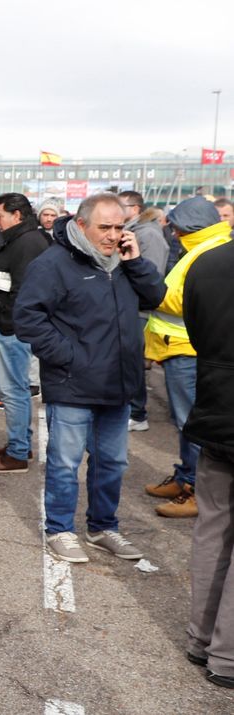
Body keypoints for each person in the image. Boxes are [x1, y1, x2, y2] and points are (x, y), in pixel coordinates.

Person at [13, 193, 165, 563]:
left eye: (119, 227)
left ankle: (102, 528)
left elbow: (156, 296)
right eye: (105, 227)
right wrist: (69, 357)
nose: (113, 235)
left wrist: (136, 262)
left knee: (112, 463)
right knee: (65, 463)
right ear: (81, 225)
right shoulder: (53, 263)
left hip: (117, 385)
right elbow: (28, 318)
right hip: (73, 384)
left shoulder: (125, 262)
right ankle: (60, 530)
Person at [142, 197, 231, 518]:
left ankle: (196, 489)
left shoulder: (204, 253)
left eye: (178, 227)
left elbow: (177, 300)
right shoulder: (206, 248)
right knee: (186, 424)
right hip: (182, 348)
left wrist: (148, 287)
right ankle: (186, 477)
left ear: (191, 226)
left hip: (187, 350)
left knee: (191, 424)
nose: (174, 233)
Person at [179, 236, 234, 689]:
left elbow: (198, 333)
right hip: (218, 408)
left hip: (216, 409)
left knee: (212, 528)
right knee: (214, 527)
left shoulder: (207, 263)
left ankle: (203, 639)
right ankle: (227, 656)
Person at [0, 193, 51, 473]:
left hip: (15, 331)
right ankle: (20, 443)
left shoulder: (28, 242)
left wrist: (7, 324)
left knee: (13, 391)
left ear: (16, 215)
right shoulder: (23, 239)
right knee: (17, 390)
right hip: (14, 328)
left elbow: (24, 289)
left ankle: (18, 452)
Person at [120, 191, 168, 432]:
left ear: (135, 208)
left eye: (121, 205)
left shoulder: (147, 234)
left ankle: (137, 413)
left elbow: (151, 276)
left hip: (140, 311)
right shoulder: (135, 230)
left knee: (134, 363)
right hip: (130, 309)